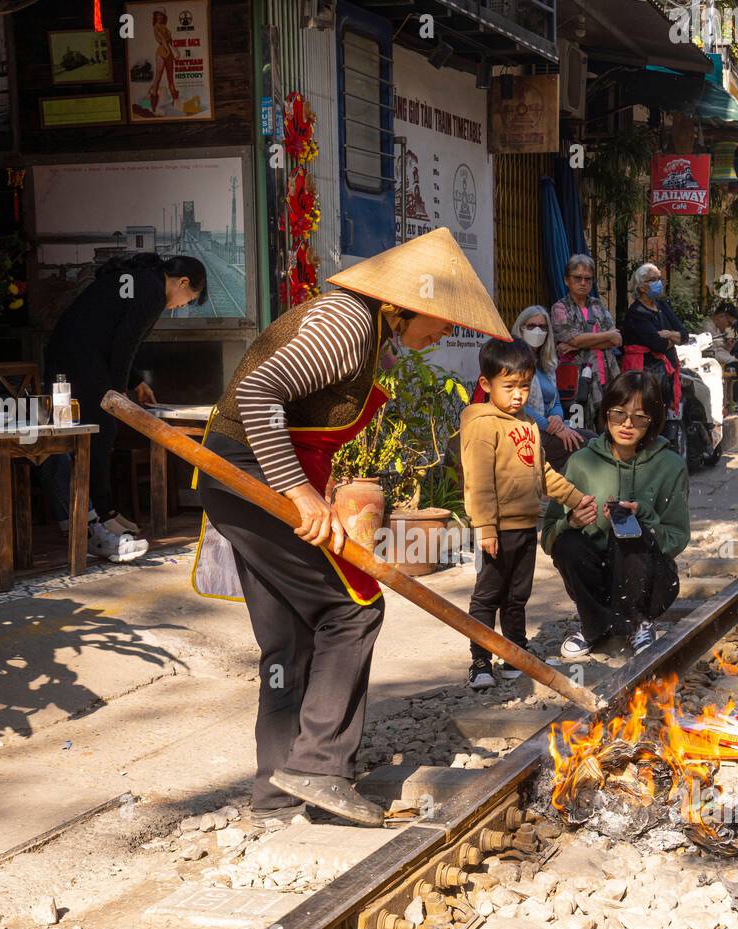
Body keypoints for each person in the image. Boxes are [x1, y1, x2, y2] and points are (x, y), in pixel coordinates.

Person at [195, 227, 507, 827]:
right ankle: (319, 767)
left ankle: (277, 796)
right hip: (252, 478)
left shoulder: (363, 328)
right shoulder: (346, 324)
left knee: (292, 638)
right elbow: (258, 395)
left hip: (246, 478)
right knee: (352, 611)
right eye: (442, 320)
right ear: (404, 304)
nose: (444, 333)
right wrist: (297, 491)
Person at [43, 252, 206, 562]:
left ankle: (105, 513)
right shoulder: (152, 290)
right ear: (183, 282)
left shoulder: (145, 281)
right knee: (101, 432)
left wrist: (134, 381)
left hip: (74, 354)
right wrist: (118, 392)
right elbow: (124, 344)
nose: (180, 306)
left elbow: (115, 337)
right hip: (80, 360)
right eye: (187, 300)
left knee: (102, 432)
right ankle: (100, 518)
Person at [461, 338, 593, 690]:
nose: (518, 395)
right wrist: (485, 527)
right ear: (486, 384)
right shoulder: (482, 425)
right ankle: (480, 660)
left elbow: (543, 473)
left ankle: (514, 653)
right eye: (509, 387)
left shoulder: (528, 425)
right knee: (488, 595)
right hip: (496, 530)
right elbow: (478, 481)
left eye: (524, 386)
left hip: (524, 525)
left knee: (518, 595)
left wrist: (576, 498)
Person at [542, 370, 688, 659]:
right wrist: (570, 522)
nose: (627, 424)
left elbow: (678, 536)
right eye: (619, 413)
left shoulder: (670, 465)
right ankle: (594, 626)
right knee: (568, 543)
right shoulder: (581, 462)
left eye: (640, 417)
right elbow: (548, 537)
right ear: (606, 411)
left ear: (653, 420)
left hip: (650, 581)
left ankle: (638, 622)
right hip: (598, 578)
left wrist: (644, 517)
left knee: (630, 532)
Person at [511, 304, 586, 472]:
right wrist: (550, 427)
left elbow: (556, 402)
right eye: (531, 326)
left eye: (542, 327)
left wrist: (558, 418)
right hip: (527, 427)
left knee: (593, 438)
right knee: (583, 445)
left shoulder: (547, 363)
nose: (537, 331)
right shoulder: (514, 360)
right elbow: (518, 406)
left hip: (550, 426)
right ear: (521, 328)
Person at [551, 254, 620, 426]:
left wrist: (579, 343)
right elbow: (574, 339)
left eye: (588, 279)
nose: (583, 283)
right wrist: (606, 336)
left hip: (606, 377)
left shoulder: (597, 305)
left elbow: (616, 340)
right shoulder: (560, 308)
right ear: (566, 280)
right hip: (577, 382)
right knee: (580, 430)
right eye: (578, 278)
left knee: (608, 428)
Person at [620, 262, 688, 411]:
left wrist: (669, 334)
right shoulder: (637, 312)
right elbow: (658, 345)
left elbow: (684, 335)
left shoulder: (662, 306)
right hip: (645, 376)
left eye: (659, 279)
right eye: (653, 280)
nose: (659, 283)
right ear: (642, 287)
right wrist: (674, 339)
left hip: (666, 375)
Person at [148, 8, 179, 114]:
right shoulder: (156, 26)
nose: (159, 17)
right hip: (162, 51)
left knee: (171, 78)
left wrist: (176, 51)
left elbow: (170, 42)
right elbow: (162, 40)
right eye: (158, 15)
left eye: (161, 15)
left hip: (168, 52)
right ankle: (153, 105)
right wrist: (168, 50)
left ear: (164, 17)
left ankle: (176, 102)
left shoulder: (165, 27)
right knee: (158, 77)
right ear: (155, 16)